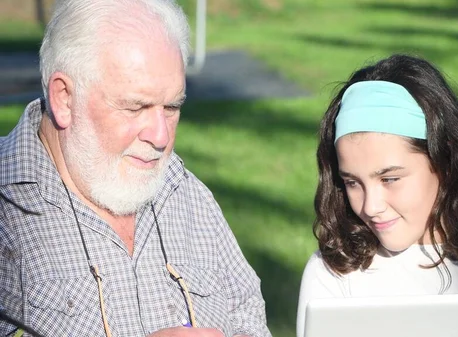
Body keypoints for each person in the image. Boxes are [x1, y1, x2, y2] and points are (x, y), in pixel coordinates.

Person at [0, 0, 271, 336]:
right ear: (64, 98)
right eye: (135, 107)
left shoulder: (187, 194)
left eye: (172, 107)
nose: (161, 137)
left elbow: (250, 320)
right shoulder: (8, 207)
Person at [296, 54, 458, 337]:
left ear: (446, 160)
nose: (371, 206)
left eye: (390, 179)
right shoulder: (334, 276)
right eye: (352, 182)